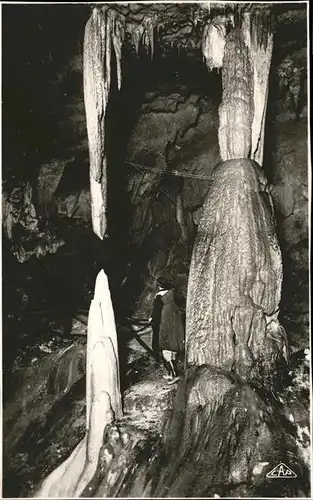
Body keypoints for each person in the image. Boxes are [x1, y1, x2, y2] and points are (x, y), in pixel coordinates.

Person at [151, 277, 185, 384]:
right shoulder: (172, 297)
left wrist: (152, 319)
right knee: (172, 352)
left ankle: (175, 375)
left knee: (166, 352)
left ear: (159, 285)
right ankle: (171, 374)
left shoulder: (160, 298)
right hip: (175, 329)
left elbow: (156, 313)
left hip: (165, 327)